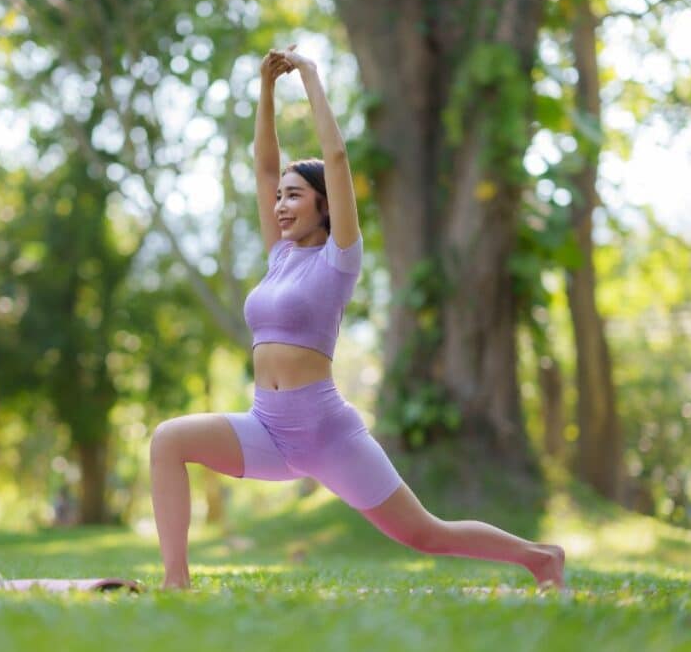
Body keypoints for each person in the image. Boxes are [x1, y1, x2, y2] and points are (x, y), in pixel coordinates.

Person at [149, 45, 565, 591]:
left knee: (424, 534)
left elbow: (338, 159)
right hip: (267, 428)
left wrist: (311, 77)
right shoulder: (279, 255)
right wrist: (267, 90)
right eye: (277, 198)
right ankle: (176, 583)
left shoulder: (339, 259)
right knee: (167, 440)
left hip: (325, 433)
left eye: (293, 196)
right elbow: (263, 166)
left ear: (325, 205)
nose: (278, 204)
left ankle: (539, 558)